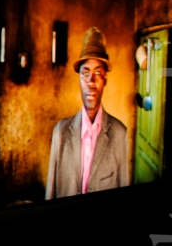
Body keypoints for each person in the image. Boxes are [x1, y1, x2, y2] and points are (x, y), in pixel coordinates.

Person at [45, 27, 129, 199]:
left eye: (98, 73)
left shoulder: (119, 134)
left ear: (105, 78)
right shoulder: (61, 131)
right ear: (79, 79)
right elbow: (50, 194)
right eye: (85, 73)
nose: (91, 81)